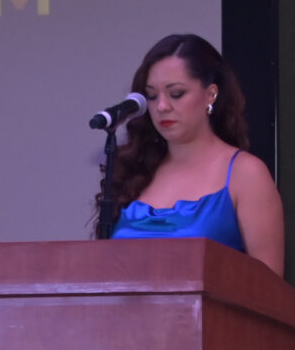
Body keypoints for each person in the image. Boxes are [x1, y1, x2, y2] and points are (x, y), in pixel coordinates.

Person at [95, 33, 285, 277]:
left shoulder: (245, 173)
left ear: (211, 94)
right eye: (152, 96)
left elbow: (269, 288)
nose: (162, 106)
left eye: (176, 93)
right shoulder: (136, 169)